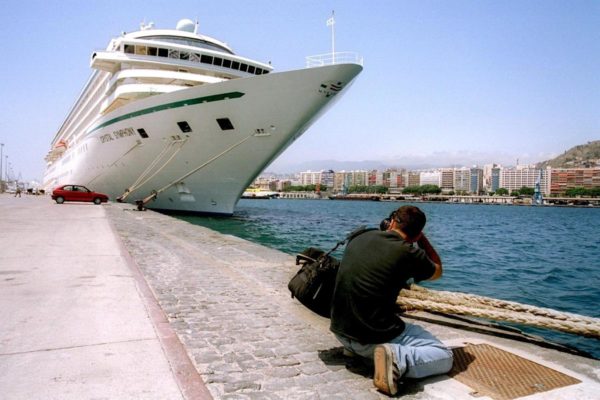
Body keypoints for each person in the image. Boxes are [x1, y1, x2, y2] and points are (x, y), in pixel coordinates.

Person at [330, 205, 453, 396]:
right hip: (370, 338)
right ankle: (397, 360)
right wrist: (422, 240)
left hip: (341, 331)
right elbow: (437, 270)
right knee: (444, 356)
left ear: (392, 221)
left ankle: (354, 350)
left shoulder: (360, 236)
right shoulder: (408, 253)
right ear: (416, 234)